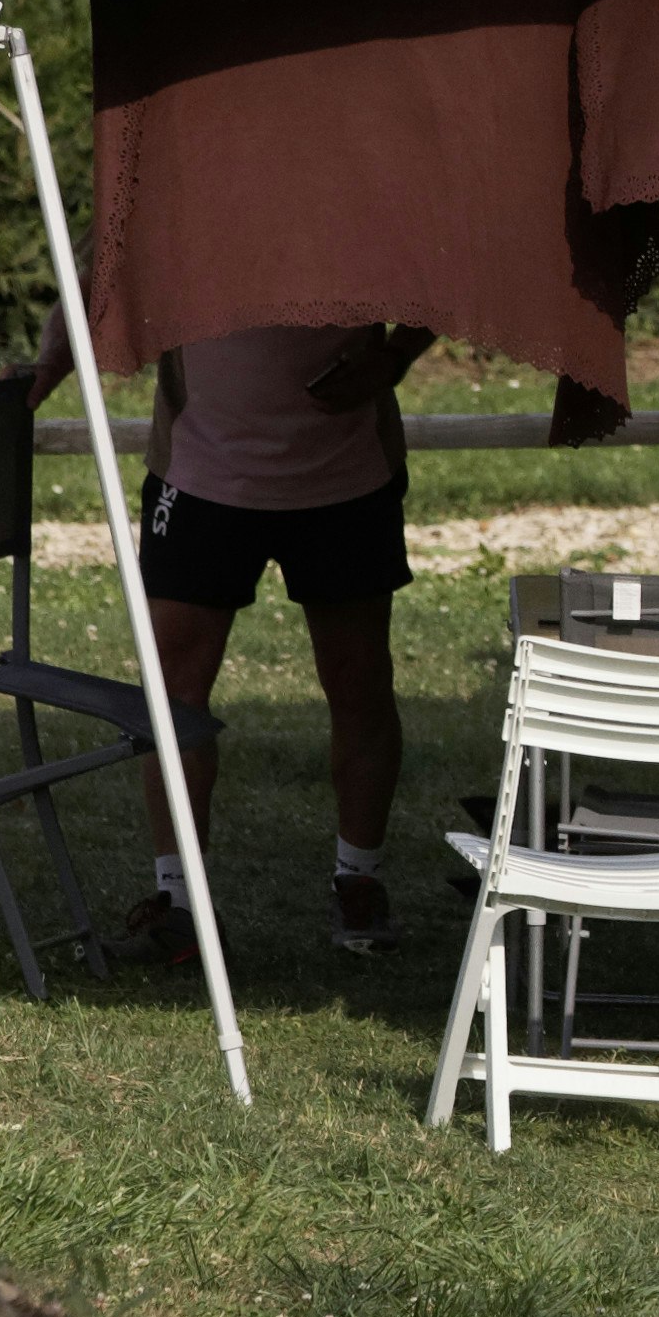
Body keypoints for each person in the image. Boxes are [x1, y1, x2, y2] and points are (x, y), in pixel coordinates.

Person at [90, 318, 436, 962]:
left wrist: (395, 355)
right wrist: (41, 371)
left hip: (348, 477)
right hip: (201, 477)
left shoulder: (372, 209)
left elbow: (450, 260)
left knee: (360, 683)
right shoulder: (173, 211)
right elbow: (100, 261)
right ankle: (179, 906)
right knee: (172, 701)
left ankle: (359, 881)